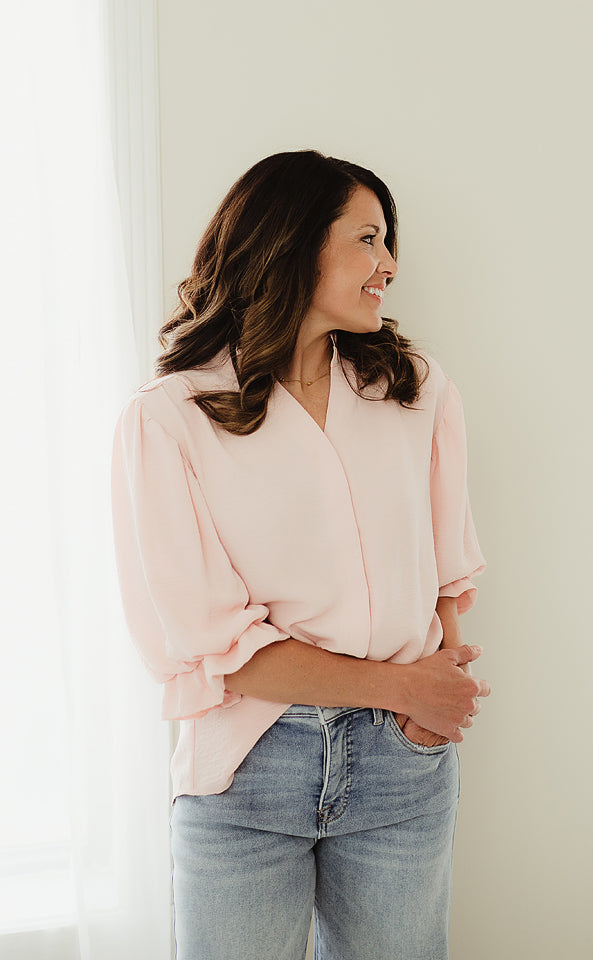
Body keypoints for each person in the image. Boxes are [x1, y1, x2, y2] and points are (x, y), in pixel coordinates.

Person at [111, 149, 490, 960]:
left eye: (387, 242)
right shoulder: (171, 417)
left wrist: (431, 710)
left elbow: (446, 570)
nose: (389, 265)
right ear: (292, 241)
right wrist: (404, 686)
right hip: (250, 763)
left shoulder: (415, 390)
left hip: (402, 756)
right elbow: (209, 644)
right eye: (366, 239)